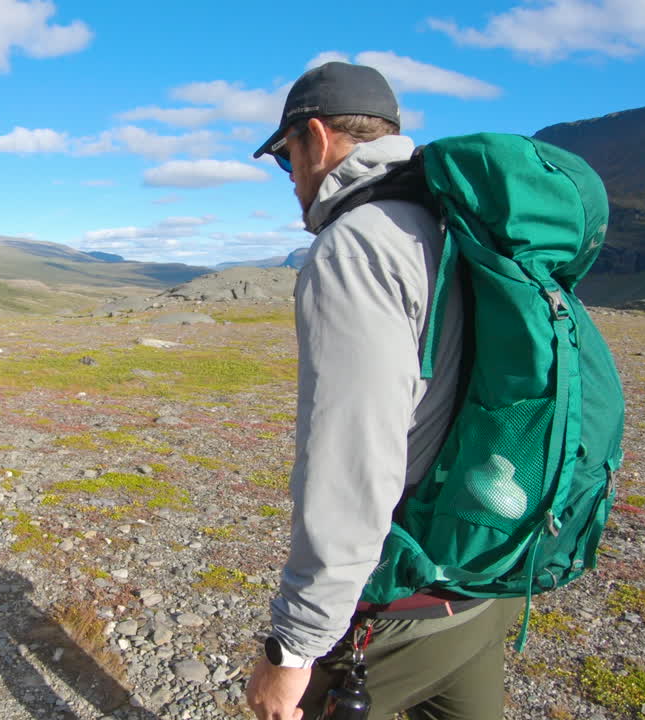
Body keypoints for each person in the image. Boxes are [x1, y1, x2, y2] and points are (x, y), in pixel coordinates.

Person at [244, 62, 522, 720]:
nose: (293, 186)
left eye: (287, 163)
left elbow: (352, 462)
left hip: (406, 596)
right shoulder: (455, 225)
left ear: (315, 137)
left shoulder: (355, 246)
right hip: (485, 572)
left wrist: (293, 649)